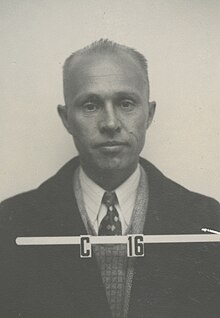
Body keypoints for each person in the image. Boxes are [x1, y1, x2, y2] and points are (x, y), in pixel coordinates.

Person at [0, 39, 220, 318]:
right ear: (67, 118)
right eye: (90, 106)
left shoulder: (208, 222)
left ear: (149, 114)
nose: (111, 123)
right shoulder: (10, 224)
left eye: (126, 103)